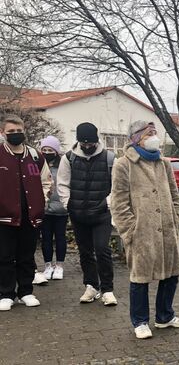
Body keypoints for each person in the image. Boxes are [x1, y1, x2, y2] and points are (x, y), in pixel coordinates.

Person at [110, 120, 179, 339]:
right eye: (149, 134)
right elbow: (119, 202)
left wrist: (176, 220)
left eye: (155, 133)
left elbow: (174, 195)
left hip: (167, 230)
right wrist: (130, 231)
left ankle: (165, 316)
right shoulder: (124, 164)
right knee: (140, 278)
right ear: (136, 138)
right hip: (141, 233)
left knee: (171, 275)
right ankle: (140, 321)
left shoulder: (164, 163)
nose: (154, 137)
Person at [57, 122, 117, 306]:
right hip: (78, 213)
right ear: (79, 142)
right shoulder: (69, 158)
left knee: (102, 249)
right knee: (85, 252)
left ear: (96, 140)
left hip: (101, 214)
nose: (88, 147)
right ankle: (91, 285)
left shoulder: (109, 158)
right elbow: (62, 183)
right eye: (84, 144)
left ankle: (107, 289)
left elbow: (117, 186)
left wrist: (107, 203)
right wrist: (68, 204)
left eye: (91, 143)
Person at [0, 115, 51, 311]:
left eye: (18, 130)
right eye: (10, 131)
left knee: (26, 256)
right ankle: (6, 293)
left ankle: (26, 291)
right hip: (4, 216)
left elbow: (46, 181)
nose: (15, 134)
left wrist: (42, 200)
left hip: (30, 216)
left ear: (24, 130)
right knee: (5, 256)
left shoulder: (35, 156)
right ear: (3, 133)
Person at [39, 135, 68, 280]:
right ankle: (48, 265)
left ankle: (60, 265)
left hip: (60, 209)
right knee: (46, 239)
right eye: (44, 149)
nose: (46, 152)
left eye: (50, 149)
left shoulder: (62, 165)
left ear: (56, 151)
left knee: (60, 238)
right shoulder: (38, 165)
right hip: (44, 209)